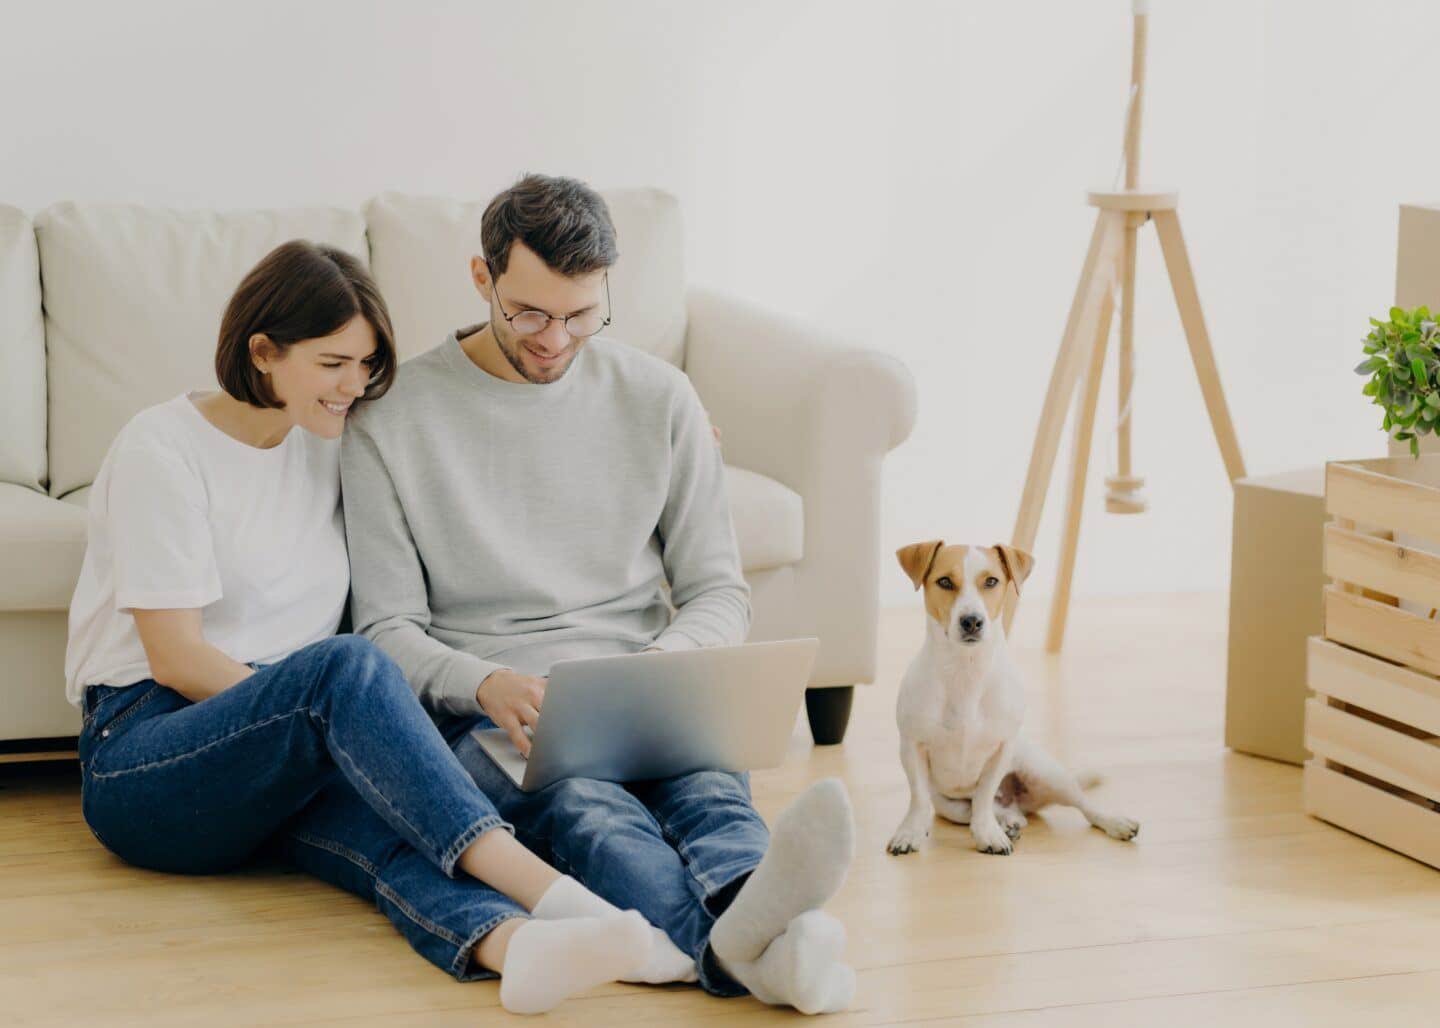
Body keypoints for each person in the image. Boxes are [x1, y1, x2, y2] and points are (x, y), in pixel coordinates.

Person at [64, 240, 680, 1015]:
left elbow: (474, 433)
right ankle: (558, 896)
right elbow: (177, 657)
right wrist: (318, 715)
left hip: (278, 746)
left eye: (366, 364)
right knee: (345, 670)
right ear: (263, 351)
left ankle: (516, 949)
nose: (355, 386)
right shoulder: (163, 448)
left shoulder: (332, 440)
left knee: (397, 830)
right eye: (333, 364)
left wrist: (664, 435)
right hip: (144, 755)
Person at [342, 174, 858, 1014]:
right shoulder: (392, 415)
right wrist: (484, 683)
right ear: (482, 279)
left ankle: (746, 925)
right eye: (531, 313)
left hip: (647, 679)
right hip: (499, 703)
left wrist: (667, 662)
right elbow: (385, 627)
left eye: (581, 315)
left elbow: (718, 590)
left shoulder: (660, 396)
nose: (555, 339)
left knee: (712, 794)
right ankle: (764, 947)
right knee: (590, 812)